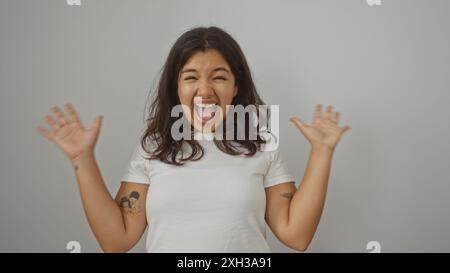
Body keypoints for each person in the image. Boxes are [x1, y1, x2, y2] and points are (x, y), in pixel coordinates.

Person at [36, 26, 350, 253]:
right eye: (191, 77)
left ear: (236, 85)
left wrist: (322, 152)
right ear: (176, 87)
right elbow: (116, 241)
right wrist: (83, 161)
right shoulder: (153, 148)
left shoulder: (261, 144)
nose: (205, 90)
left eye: (219, 76)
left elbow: (296, 236)